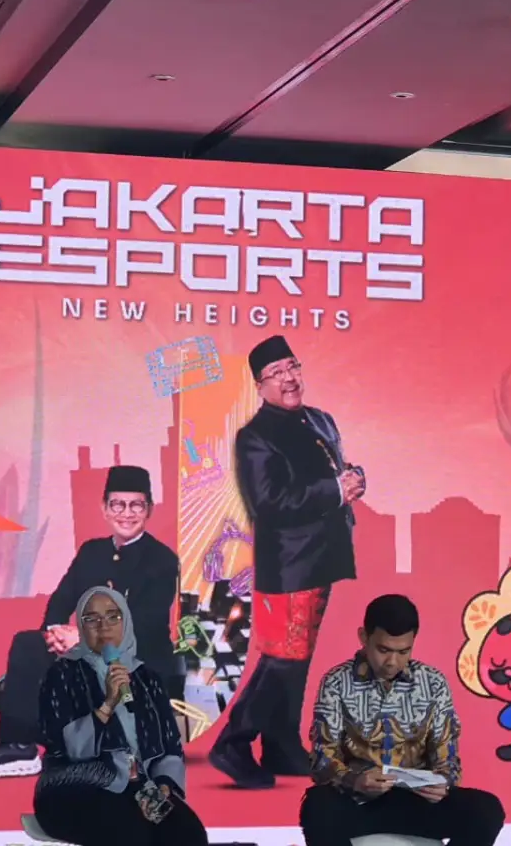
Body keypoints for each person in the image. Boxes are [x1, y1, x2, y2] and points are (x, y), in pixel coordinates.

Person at [210, 335, 365, 788]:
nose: (288, 378)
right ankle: (233, 744)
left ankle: (280, 745)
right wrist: (335, 491)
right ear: (259, 387)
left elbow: (331, 471)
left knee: (297, 657)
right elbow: (269, 503)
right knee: (283, 659)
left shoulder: (320, 419)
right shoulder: (255, 437)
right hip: (289, 564)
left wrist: (352, 481)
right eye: (274, 374)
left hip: (323, 556)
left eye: (292, 367)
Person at [0, 466, 180, 779]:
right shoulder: (92, 552)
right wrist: (55, 633)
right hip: (90, 659)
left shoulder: (162, 559)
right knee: (29, 643)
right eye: (118, 504)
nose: (127, 513)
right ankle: (17, 746)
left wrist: (85, 640)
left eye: (136, 505)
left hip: (138, 664)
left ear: (149, 510)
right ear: (105, 508)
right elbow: (61, 600)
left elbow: (145, 623)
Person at [299, 594, 506, 846]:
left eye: (403, 651)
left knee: (486, 810)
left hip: (417, 803)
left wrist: (443, 782)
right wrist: (355, 780)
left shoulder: (433, 683)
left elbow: (448, 759)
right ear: (364, 637)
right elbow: (322, 759)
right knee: (317, 806)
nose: (392, 662)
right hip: (359, 802)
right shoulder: (336, 683)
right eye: (383, 650)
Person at [32, 586, 208, 846]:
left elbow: (170, 747)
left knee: (187, 833)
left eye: (113, 617)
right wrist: (108, 704)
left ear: (125, 622)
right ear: (81, 627)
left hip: (138, 787)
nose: (104, 627)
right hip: (73, 787)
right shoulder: (62, 674)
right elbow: (69, 749)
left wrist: (163, 787)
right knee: (133, 834)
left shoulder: (147, 678)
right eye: (92, 619)